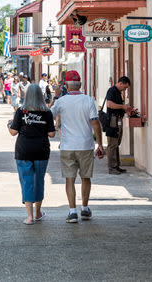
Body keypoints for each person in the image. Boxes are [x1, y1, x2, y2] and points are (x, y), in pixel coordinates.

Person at [51, 70, 105, 223]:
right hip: (85, 145)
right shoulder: (88, 100)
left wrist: (56, 96)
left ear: (66, 85)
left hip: (68, 146)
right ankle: (85, 208)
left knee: (70, 179)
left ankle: (72, 211)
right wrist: (100, 144)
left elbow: (49, 113)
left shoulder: (61, 101)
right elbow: (95, 123)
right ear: (80, 84)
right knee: (86, 177)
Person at [8, 84, 56, 224]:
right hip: (41, 150)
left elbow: (13, 132)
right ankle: (38, 212)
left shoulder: (21, 111)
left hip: (24, 150)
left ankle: (29, 217)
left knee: (26, 181)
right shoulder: (47, 112)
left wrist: (9, 125)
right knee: (39, 180)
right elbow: (51, 134)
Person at [105, 76, 132, 174]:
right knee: (112, 144)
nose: (125, 90)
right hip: (113, 120)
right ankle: (111, 167)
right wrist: (123, 106)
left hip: (118, 119)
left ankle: (116, 165)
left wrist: (125, 109)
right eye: (124, 87)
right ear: (120, 83)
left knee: (116, 143)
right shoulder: (112, 91)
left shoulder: (117, 92)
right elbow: (110, 104)